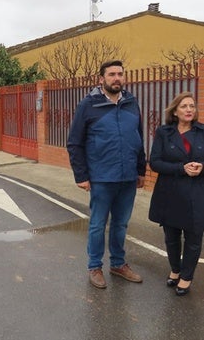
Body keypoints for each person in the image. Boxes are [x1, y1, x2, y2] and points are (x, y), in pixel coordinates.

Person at [67, 60, 146, 289]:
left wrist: (140, 170)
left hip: (128, 177)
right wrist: (81, 175)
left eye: (120, 74)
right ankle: (95, 267)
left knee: (121, 224)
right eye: (111, 74)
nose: (117, 78)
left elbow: (138, 138)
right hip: (101, 177)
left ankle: (118, 264)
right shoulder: (89, 105)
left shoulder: (131, 103)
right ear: (101, 79)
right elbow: (74, 143)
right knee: (98, 225)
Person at [148, 91, 204, 296]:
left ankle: (186, 277)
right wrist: (182, 168)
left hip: (197, 193)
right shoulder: (164, 132)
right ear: (175, 111)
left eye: (192, 106)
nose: (189, 109)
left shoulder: (202, 132)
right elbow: (155, 162)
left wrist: (201, 168)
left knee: (194, 237)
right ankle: (175, 269)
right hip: (169, 193)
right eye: (184, 106)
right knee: (171, 237)